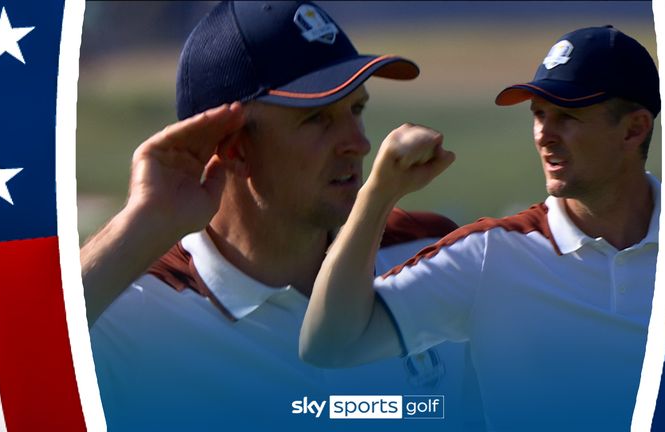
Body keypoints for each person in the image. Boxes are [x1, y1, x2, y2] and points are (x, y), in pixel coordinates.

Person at [82, 1, 482, 431]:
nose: (358, 143)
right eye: (317, 119)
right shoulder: (134, 311)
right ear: (234, 147)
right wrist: (142, 221)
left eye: (357, 110)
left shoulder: (427, 250)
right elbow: (8, 357)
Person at [301, 25, 661, 431]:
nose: (544, 135)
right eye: (538, 115)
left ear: (634, 129)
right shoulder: (490, 253)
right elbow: (328, 344)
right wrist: (379, 194)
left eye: (567, 116)